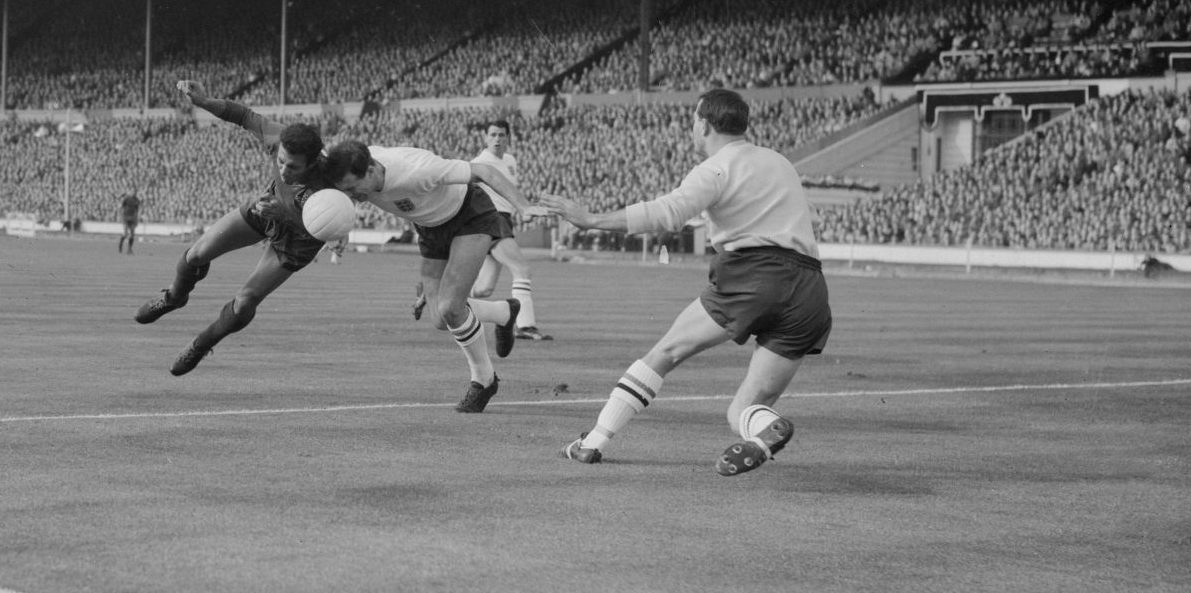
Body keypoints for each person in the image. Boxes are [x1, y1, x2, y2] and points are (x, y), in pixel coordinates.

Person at [539, 88, 832, 476]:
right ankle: (764, 431)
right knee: (742, 411)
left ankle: (592, 442)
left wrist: (591, 219)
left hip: (756, 276)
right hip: (811, 291)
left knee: (665, 353)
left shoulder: (716, 168)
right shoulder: (779, 162)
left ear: (705, 124)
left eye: (694, 121)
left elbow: (667, 212)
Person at [133, 80, 336, 376]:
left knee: (245, 302)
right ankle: (173, 298)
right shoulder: (277, 136)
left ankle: (201, 344)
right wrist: (203, 102)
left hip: (300, 239)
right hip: (267, 209)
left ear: (313, 162)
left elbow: (327, 226)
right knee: (196, 254)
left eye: (292, 167)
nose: (283, 170)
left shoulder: (332, 179)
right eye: (280, 161)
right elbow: (241, 115)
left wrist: (289, 214)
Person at [323, 138, 539, 413]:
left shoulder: (417, 168)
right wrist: (338, 230)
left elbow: (484, 171)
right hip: (429, 228)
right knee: (440, 317)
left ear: (370, 169)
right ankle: (504, 312)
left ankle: (484, 380)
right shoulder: (350, 170)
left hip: (469, 215)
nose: (353, 196)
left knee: (451, 307)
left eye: (354, 189)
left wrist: (524, 205)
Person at [410, 120, 553, 341]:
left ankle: (434, 296)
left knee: (484, 289)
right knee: (521, 268)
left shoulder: (510, 160)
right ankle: (525, 326)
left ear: (508, 138)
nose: (498, 139)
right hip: (489, 219)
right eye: (493, 135)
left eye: (502, 135)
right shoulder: (479, 162)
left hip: (503, 220)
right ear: (485, 138)